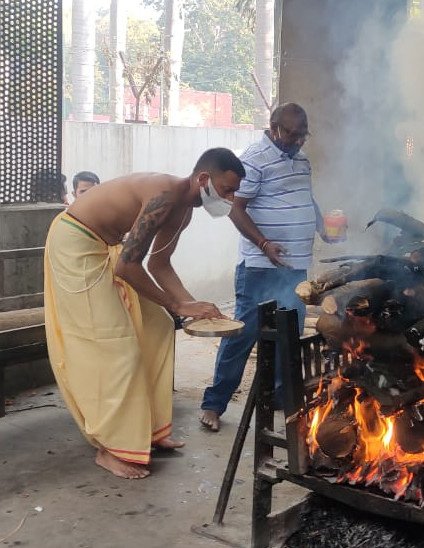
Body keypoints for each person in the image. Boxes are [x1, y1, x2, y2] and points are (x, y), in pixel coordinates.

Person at [44, 147, 246, 479]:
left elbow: (159, 265)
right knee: (115, 346)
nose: (231, 198)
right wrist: (178, 305)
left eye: (234, 192)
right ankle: (111, 448)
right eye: (227, 190)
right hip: (75, 243)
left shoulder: (184, 211)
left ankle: (149, 430)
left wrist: (196, 309)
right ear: (204, 179)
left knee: (159, 326)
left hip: (108, 248)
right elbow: (127, 267)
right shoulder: (164, 196)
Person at [200, 103, 332, 432]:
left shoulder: (301, 159)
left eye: (303, 134)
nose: (298, 140)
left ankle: (278, 399)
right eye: (292, 134)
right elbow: (235, 208)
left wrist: (322, 227)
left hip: (294, 267)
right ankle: (214, 403)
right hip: (260, 267)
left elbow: (306, 197)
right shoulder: (254, 160)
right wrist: (263, 244)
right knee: (241, 336)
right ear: (274, 128)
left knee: (289, 335)